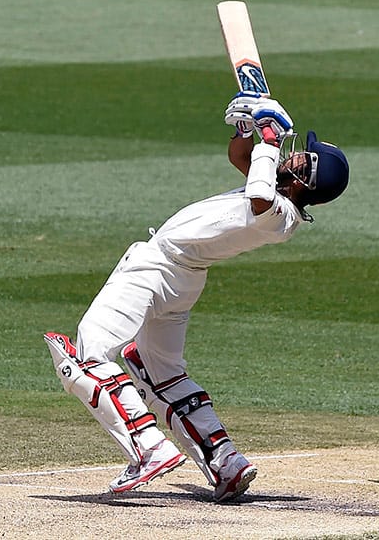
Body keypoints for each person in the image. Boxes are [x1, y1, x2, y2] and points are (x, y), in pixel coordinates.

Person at [44, 93, 349, 502]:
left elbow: (258, 195)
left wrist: (271, 139)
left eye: (303, 158)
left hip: (158, 268)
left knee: (87, 353)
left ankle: (147, 448)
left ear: (306, 180)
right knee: (161, 372)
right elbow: (241, 156)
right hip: (182, 278)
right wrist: (248, 127)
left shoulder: (279, 214)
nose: (296, 156)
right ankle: (226, 462)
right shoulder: (272, 191)